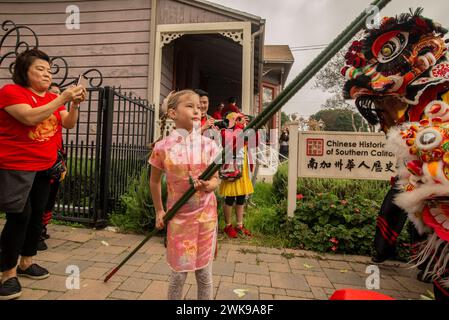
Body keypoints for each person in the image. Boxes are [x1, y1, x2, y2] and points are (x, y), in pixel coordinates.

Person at [0, 49, 86, 300]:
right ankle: (7, 273)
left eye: (49, 70)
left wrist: (74, 104)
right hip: (16, 165)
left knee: (37, 215)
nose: (47, 74)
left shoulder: (50, 97)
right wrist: (61, 98)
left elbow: (67, 123)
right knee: (19, 217)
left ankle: (26, 262)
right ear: (23, 71)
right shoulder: (11, 92)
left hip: (45, 165)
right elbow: (28, 118)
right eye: (40, 69)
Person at [149, 90, 220, 300]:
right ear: (172, 113)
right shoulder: (162, 148)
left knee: (204, 273)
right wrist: (159, 211)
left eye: (199, 106)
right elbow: (153, 181)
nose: (197, 110)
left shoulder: (210, 145)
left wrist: (208, 185)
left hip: (206, 218)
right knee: (178, 275)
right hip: (178, 219)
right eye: (190, 106)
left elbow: (216, 180)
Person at [219, 112, 255, 238]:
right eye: (235, 119)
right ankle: (227, 225)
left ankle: (239, 225)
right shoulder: (225, 132)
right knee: (230, 197)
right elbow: (233, 144)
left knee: (241, 197)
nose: (239, 121)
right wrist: (239, 127)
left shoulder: (242, 130)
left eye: (240, 118)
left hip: (242, 166)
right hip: (232, 168)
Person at [37, 83, 64, 251]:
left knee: (51, 197)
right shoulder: (42, 111)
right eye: (53, 93)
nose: (56, 96)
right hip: (41, 160)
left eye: (59, 94)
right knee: (41, 198)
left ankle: (42, 228)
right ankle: (36, 233)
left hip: (57, 157)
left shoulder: (60, 114)